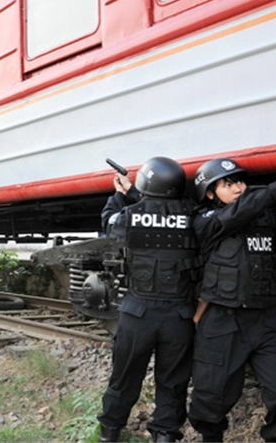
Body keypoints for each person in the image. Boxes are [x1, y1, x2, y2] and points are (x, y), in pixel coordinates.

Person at [187, 153, 276, 443]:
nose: (239, 188)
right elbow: (241, 211)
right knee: (211, 398)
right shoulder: (207, 221)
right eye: (228, 184)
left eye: (240, 181)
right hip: (223, 321)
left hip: (267, 320)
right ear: (211, 193)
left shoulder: (265, 220)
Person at [96, 157, 200, 443]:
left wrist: (119, 193)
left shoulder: (129, 215)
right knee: (173, 382)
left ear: (144, 184)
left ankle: (110, 432)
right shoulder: (194, 215)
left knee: (125, 377)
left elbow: (110, 221)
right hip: (180, 316)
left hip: (138, 314)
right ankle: (165, 435)